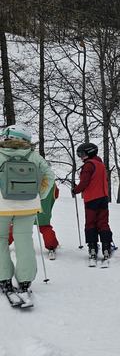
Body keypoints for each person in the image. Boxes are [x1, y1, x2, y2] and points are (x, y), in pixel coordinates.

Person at [0, 125, 56, 298]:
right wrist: (39, 196)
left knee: (1, 240)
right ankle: (25, 280)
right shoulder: (34, 156)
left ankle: (3, 278)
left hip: (2, 207)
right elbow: (49, 177)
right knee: (24, 241)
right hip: (28, 205)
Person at [72, 142, 113, 262]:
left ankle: (93, 247)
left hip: (91, 199)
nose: (80, 157)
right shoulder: (100, 164)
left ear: (89, 153)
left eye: (82, 154)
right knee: (103, 222)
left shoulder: (88, 165)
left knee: (90, 223)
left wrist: (75, 190)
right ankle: (106, 247)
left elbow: (84, 182)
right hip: (103, 198)